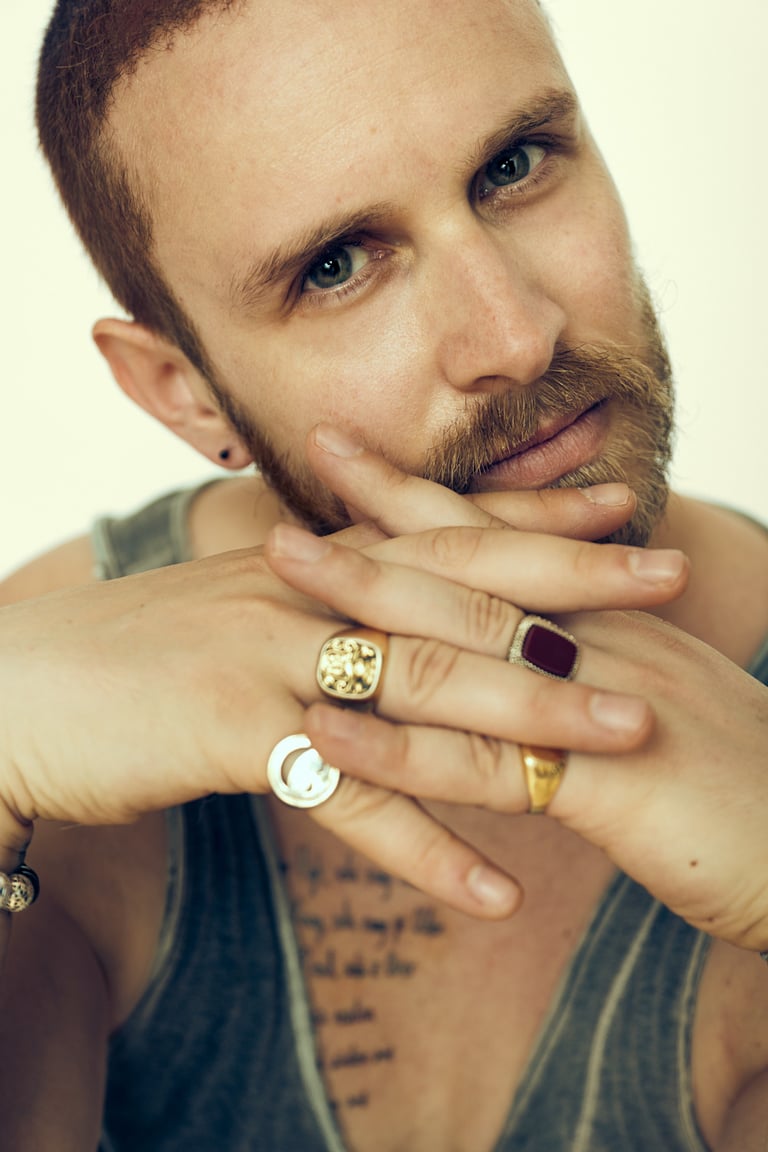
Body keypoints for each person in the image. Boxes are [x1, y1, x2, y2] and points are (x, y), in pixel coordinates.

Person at [0, 0, 766, 1148]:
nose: (512, 337)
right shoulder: (52, 717)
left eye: (514, 166)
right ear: (184, 392)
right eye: (338, 265)